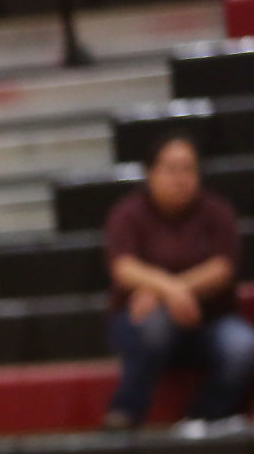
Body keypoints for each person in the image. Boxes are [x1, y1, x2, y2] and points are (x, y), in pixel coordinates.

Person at [101, 133, 253, 434]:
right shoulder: (127, 213)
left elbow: (223, 268)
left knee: (244, 345)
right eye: (172, 169)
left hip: (209, 321)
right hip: (141, 322)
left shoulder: (217, 211)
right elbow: (124, 267)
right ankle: (124, 415)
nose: (181, 178)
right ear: (150, 173)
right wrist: (170, 293)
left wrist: (166, 291)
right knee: (153, 322)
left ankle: (201, 419)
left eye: (188, 169)